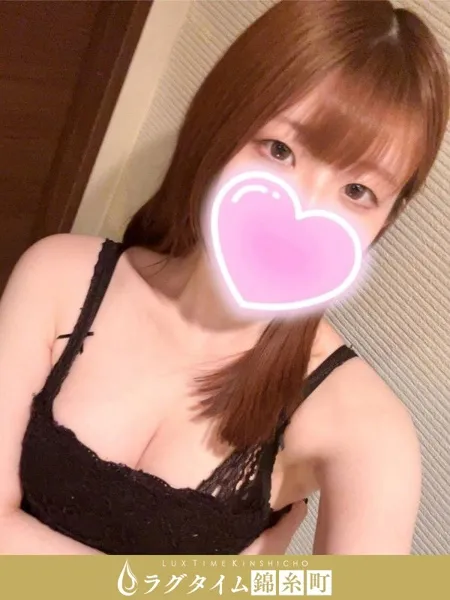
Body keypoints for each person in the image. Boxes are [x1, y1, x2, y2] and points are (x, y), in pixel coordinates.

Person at [0, 0, 448, 556]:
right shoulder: (57, 278)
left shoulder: (365, 427)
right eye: (279, 149)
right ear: (218, 125)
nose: (302, 211)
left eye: (358, 191)